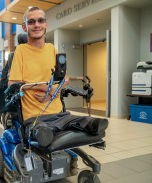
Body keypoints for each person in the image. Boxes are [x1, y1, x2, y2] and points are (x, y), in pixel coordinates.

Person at [8, 7, 108, 147]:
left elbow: (65, 79)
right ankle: (44, 133)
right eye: (31, 22)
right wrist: (44, 87)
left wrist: (52, 92)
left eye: (40, 20)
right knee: (42, 131)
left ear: (46, 24)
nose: (36, 25)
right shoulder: (21, 51)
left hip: (59, 115)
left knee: (82, 121)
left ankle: (91, 124)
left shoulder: (52, 49)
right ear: (25, 27)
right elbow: (12, 83)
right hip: (34, 118)